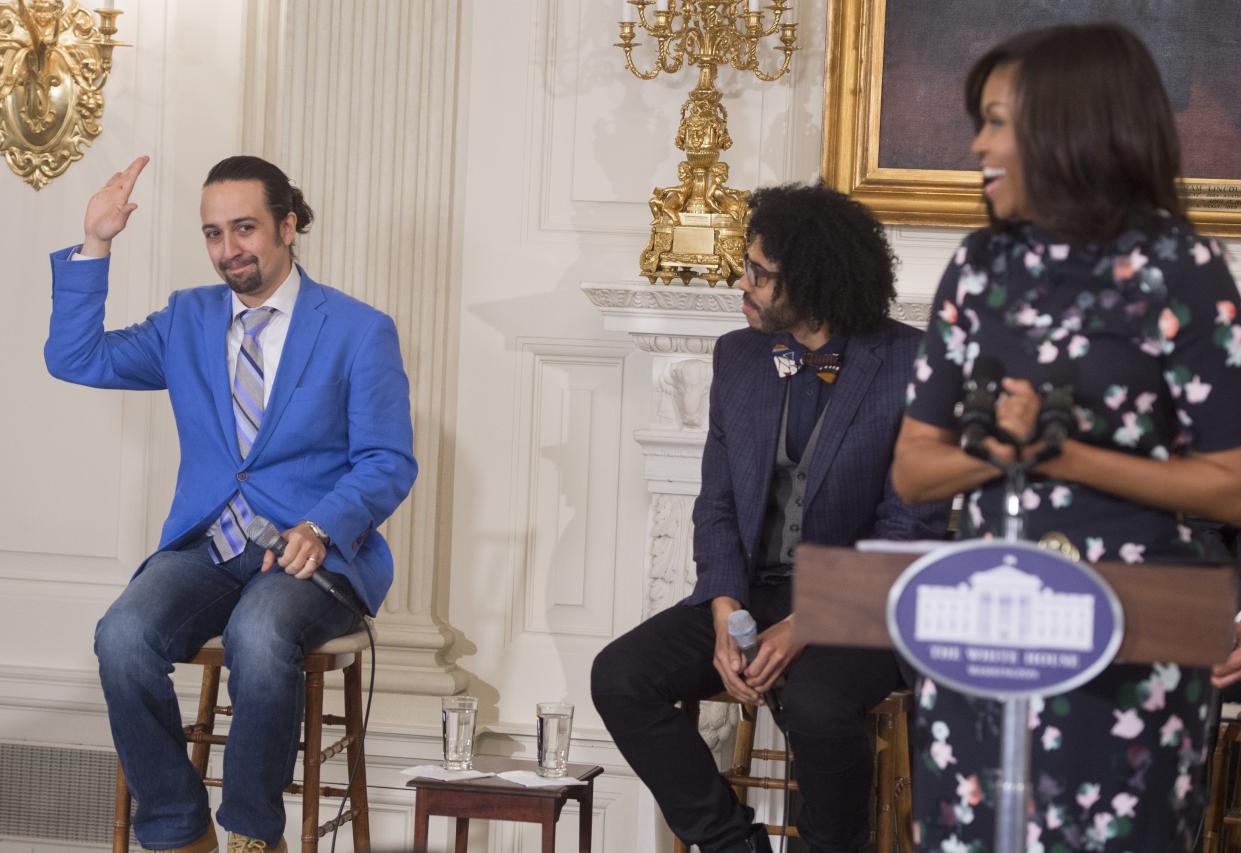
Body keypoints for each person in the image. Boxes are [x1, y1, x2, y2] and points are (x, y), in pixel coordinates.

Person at [891, 23, 1241, 852]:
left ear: (1072, 125)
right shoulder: (977, 267)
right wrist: (1001, 448)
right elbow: (912, 470)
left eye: (998, 121)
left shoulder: (1180, 268)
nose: (977, 143)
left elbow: (1229, 480)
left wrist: (1064, 453)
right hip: (985, 633)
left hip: (1133, 645)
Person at [44, 155, 417, 853]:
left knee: (259, 632)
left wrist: (323, 522)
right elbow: (76, 357)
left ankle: (251, 833)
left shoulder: (357, 330)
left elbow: (387, 460)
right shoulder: (187, 318)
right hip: (209, 546)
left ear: (288, 224)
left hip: (313, 553)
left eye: (244, 228)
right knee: (121, 636)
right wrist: (97, 242)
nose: (228, 250)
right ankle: (181, 833)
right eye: (213, 233)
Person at [592, 183, 950, 853]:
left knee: (815, 705)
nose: (741, 280)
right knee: (620, 675)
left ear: (811, 280)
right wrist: (726, 610)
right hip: (754, 590)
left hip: (865, 603)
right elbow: (718, 504)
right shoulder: (738, 356)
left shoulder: (914, 362)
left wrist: (801, 625)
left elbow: (910, 530)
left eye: (758, 271)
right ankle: (734, 846)